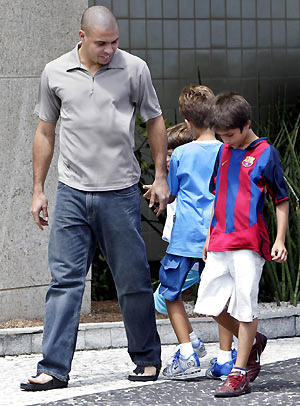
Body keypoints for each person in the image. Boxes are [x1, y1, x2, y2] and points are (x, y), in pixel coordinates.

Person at [20, 5, 169, 391]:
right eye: (102, 43)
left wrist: (161, 176)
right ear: (82, 36)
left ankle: (147, 359)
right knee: (65, 282)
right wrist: (38, 190)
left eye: (115, 41)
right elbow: (45, 132)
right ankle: (53, 368)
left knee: (133, 279)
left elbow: (154, 119)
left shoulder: (134, 68)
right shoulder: (54, 72)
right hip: (71, 193)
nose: (110, 49)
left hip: (119, 192)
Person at [194, 92, 289, 397]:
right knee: (208, 303)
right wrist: (209, 237)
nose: (227, 141)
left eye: (231, 135)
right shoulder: (223, 151)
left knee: (245, 306)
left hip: (250, 243)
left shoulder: (266, 153)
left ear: (247, 125)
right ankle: (254, 340)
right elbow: (216, 195)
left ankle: (240, 372)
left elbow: (282, 200)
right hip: (220, 240)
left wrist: (279, 240)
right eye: (222, 136)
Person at [158, 85, 223, 379]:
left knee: (170, 294)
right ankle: (226, 355)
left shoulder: (182, 153)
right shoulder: (227, 151)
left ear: (187, 123)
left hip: (184, 238)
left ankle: (187, 352)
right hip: (218, 237)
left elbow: (171, 192)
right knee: (223, 297)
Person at [146, 122, 208, 363]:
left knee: (167, 296)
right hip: (182, 248)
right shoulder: (177, 181)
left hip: (190, 250)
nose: (168, 159)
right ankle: (197, 343)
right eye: (167, 154)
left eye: (171, 154)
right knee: (168, 297)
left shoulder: (191, 182)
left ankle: (193, 345)